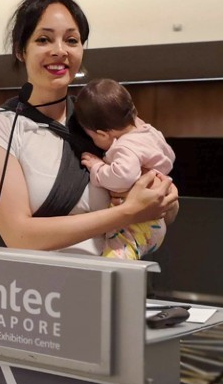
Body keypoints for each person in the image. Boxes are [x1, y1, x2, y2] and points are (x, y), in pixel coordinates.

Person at [0, 0, 179, 255]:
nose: (60, 50)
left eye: (71, 40)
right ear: (20, 50)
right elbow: (19, 236)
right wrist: (128, 212)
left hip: (112, 281)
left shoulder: (100, 114)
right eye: (44, 39)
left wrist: (165, 201)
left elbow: (159, 205)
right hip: (38, 291)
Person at [74, 78, 175, 259]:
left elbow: (122, 178)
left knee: (111, 265)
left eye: (92, 137)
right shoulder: (148, 131)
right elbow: (170, 157)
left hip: (138, 226)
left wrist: (98, 167)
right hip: (154, 223)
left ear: (103, 134)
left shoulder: (125, 147)